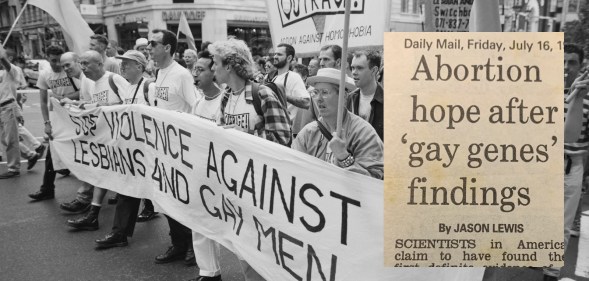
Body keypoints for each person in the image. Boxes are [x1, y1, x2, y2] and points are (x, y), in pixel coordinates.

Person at [210, 38, 292, 281]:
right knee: (244, 249)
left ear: (230, 66)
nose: (213, 68)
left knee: (264, 251)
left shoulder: (262, 93)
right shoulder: (225, 96)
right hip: (238, 186)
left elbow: (283, 140)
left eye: (215, 63)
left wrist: (247, 136)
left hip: (263, 187)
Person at [94, 50, 154, 250]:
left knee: (165, 197)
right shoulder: (127, 89)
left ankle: (183, 243)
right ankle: (119, 232)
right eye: (122, 64)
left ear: (139, 66)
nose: (122, 67)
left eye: (127, 64)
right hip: (133, 151)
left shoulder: (149, 87)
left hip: (149, 151)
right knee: (126, 189)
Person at [147, 29, 197, 265]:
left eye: (153, 43)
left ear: (167, 48)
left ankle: (191, 246)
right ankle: (178, 243)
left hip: (180, 149)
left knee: (182, 199)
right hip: (160, 146)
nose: (149, 47)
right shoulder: (158, 73)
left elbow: (196, 107)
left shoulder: (182, 75)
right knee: (166, 198)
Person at [65, 50, 128, 231]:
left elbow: (130, 104)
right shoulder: (91, 85)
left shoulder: (114, 80)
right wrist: (79, 106)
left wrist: (102, 107)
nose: (83, 68)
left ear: (100, 64)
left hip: (122, 139)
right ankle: (93, 215)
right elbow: (95, 109)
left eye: (86, 64)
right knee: (101, 172)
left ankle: (146, 208)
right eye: (81, 63)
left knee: (123, 181)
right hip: (106, 139)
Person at [543, 44, 588, 281]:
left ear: (581, 66)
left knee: (562, 226)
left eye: (572, 62)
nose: (566, 67)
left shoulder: (587, 98)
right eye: (562, 62)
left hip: (572, 165)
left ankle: (551, 273)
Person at [292, 67, 383, 179]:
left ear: (343, 96)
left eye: (325, 92)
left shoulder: (363, 133)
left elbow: (375, 180)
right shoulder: (307, 133)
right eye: (315, 92)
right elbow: (293, 169)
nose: (318, 99)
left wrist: (343, 156)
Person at [187, 50, 223, 281]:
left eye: (201, 70)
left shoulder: (226, 101)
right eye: (194, 69)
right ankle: (209, 272)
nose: (195, 73)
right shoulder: (198, 103)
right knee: (199, 219)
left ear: (214, 72)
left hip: (225, 173)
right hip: (203, 170)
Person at [28, 48, 81, 197]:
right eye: (53, 60)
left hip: (77, 116)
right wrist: (47, 123)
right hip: (59, 117)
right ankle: (47, 188)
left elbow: (84, 91)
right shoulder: (45, 74)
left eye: (60, 61)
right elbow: (43, 102)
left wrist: (65, 97)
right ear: (47, 58)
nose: (58, 64)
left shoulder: (70, 71)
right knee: (52, 150)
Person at [271, 43, 310, 136]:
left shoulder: (294, 77)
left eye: (279, 54)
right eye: (275, 54)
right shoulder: (274, 78)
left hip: (287, 132)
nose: (275, 56)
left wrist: (282, 94)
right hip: (274, 130)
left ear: (289, 58)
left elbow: (306, 102)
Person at [347, 50, 383, 140]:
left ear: (374, 70)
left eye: (359, 68)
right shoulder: (348, 99)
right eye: (353, 68)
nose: (354, 72)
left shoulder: (389, 102)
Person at [0, 45, 23, 179]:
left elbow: (3, 59)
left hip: (8, 107)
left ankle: (14, 168)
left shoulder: (13, 70)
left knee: (11, 139)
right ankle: (31, 153)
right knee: (4, 139)